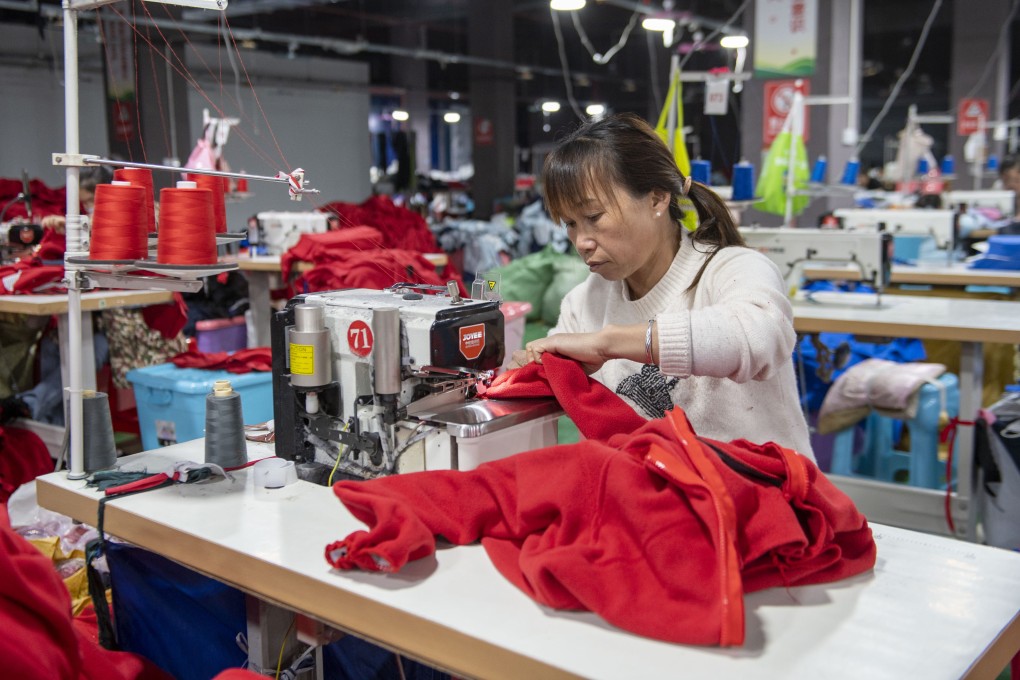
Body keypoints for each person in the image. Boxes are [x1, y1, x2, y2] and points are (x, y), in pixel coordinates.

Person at [511, 112, 813, 459]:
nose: (581, 242)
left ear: (657, 199)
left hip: (762, 493)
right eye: (570, 224)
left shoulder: (731, 270)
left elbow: (759, 337)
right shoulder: (583, 304)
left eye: (593, 217)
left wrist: (608, 344)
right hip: (659, 499)